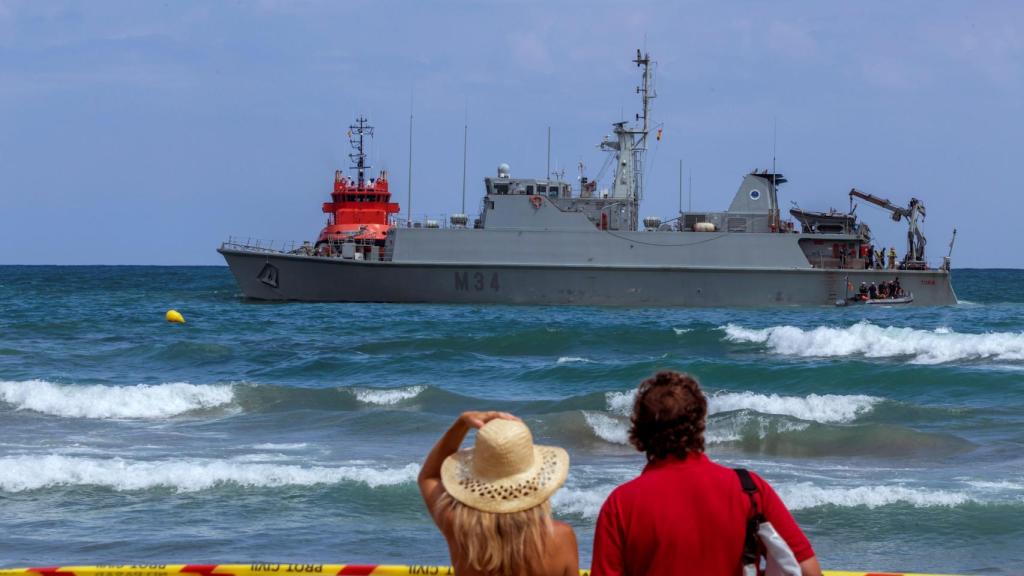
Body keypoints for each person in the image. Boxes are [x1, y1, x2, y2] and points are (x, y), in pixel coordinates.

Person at [591, 372, 822, 576]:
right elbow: (808, 571)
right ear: (700, 422)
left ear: (639, 428)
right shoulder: (749, 488)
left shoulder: (621, 504)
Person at [419, 411, 578, 576]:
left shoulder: (460, 531)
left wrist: (462, 424)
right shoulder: (560, 537)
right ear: (535, 483)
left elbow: (429, 477)